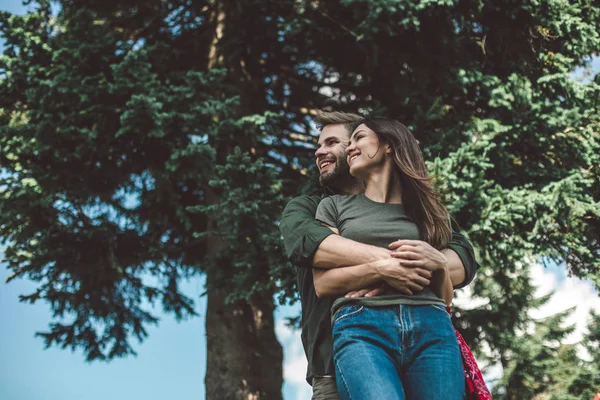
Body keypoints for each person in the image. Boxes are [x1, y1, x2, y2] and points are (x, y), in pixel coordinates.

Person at [279, 111, 479, 399]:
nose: (319, 151)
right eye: (318, 145)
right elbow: (311, 244)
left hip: (427, 331)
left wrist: (428, 264)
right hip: (334, 361)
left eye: (333, 142)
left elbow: (461, 257)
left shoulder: (422, 212)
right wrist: (390, 265)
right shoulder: (313, 207)